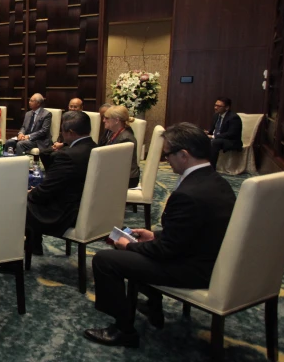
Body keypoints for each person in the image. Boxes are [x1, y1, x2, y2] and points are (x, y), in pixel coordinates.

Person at [84, 123, 236, 347]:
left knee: (106, 260)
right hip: (210, 257)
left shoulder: (189, 194)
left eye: (168, 155)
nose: (166, 161)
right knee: (133, 248)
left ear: (184, 155)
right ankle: (152, 302)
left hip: (193, 268)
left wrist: (130, 246)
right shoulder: (218, 182)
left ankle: (123, 329)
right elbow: (192, 230)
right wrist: (155, 235)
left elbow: (166, 251)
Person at [25, 111, 96, 256]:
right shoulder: (96, 148)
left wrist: (30, 193)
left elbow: (45, 191)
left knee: (20, 202)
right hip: (89, 207)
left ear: (70, 132)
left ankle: (29, 247)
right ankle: (33, 245)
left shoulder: (67, 156)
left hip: (65, 213)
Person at [101, 105, 140, 188]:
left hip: (127, 178)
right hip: (118, 173)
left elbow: (119, 165)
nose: (103, 120)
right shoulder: (113, 132)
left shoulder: (126, 138)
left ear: (116, 120)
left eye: (107, 118)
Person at [207, 97, 242, 166]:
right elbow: (213, 130)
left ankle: (211, 168)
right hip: (218, 137)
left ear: (227, 108)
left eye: (219, 106)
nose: (215, 108)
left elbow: (232, 134)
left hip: (231, 141)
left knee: (215, 142)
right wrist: (207, 133)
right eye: (215, 105)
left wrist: (214, 136)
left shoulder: (234, 117)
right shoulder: (216, 115)